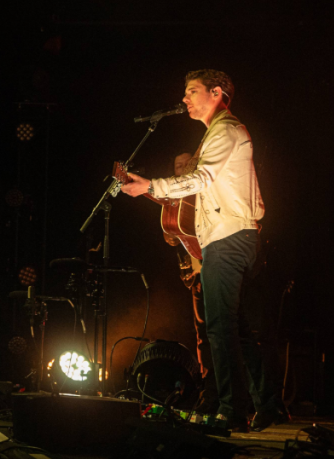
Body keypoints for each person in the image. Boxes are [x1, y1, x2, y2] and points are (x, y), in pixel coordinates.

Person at [122, 69, 285, 432]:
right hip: (233, 238)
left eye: (192, 91)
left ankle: (232, 409)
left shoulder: (225, 130)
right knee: (238, 329)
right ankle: (267, 404)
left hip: (228, 240)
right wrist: (154, 189)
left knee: (220, 326)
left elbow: (202, 177)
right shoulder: (219, 133)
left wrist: (154, 183)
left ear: (217, 93)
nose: (185, 99)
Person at [165, 151, 219, 416]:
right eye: (177, 165)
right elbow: (171, 238)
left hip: (215, 266)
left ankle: (225, 394)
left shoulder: (203, 189)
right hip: (194, 273)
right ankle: (209, 390)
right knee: (203, 334)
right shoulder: (174, 197)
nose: (181, 168)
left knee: (221, 331)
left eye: (186, 164)